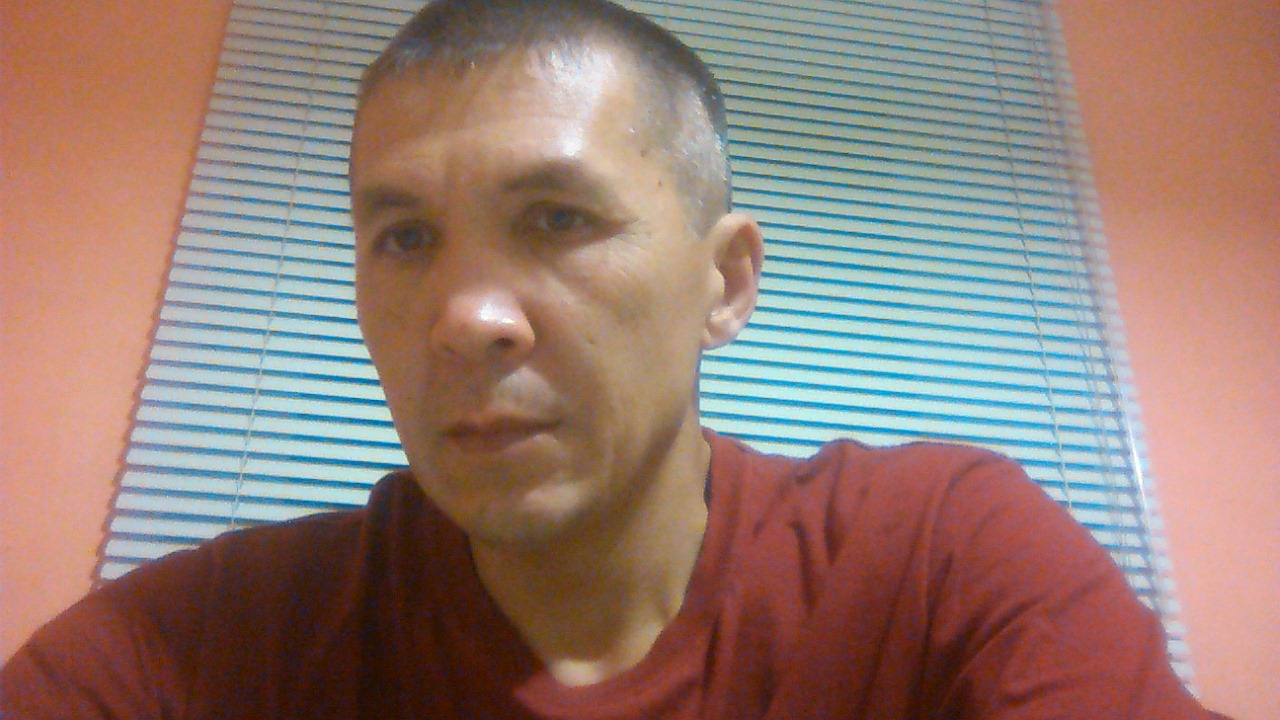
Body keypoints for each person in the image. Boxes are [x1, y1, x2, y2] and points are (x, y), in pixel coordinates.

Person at [0, 1, 1229, 718]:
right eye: (404, 237)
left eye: (557, 218)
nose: (465, 318)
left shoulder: (937, 565)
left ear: (723, 282)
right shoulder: (211, 650)